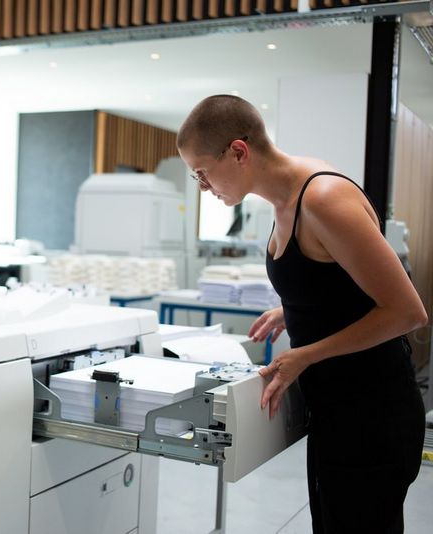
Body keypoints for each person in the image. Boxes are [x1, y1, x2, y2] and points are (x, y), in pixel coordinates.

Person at [177, 95, 427, 533]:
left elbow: (407, 312)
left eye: (201, 173)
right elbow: (341, 287)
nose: (203, 187)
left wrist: (306, 354)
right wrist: (292, 311)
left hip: (372, 415)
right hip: (336, 410)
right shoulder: (284, 201)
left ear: (238, 152)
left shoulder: (322, 198)